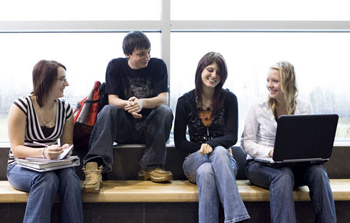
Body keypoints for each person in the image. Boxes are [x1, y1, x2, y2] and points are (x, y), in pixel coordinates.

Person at [241, 61, 337, 223]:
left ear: (288, 83)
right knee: (283, 175)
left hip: (294, 167)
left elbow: (307, 141)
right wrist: (269, 151)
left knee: (319, 172)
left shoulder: (305, 107)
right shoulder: (257, 106)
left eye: (275, 81)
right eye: (268, 80)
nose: (269, 85)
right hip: (260, 166)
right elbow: (246, 143)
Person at [82, 31, 173, 193]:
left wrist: (141, 103)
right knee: (108, 110)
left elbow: (163, 99)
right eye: (141, 54)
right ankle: (94, 167)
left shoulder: (158, 66)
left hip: (149, 127)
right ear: (128, 54)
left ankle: (149, 166)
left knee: (165, 111)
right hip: (124, 127)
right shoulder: (115, 66)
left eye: (149, 52)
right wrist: (129, 105)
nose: (147, 57)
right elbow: (112, 99)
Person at [174, 52, 250, 223]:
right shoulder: (184, 101)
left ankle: (234, 216)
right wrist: (203, 148)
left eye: (219, 72)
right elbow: (179, 142)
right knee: (216, 154)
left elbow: (232, 136)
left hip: (224, 161)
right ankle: (237, 217)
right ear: (201, 70)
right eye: (210, 69)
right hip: (194, 160)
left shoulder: (230, 99)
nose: (214, 75)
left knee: (209, 167)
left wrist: (212, 145)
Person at [7, 60, 83, 223]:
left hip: (51, 166)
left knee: (70, 177)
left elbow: (68, 143)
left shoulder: (65, 109)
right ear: (46, 81)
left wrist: (64, 150)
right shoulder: (21, 106)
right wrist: (43, 152)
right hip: (20, 167)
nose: (66, 84)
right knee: (46, 179)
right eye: (62, 79)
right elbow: (17, 149)